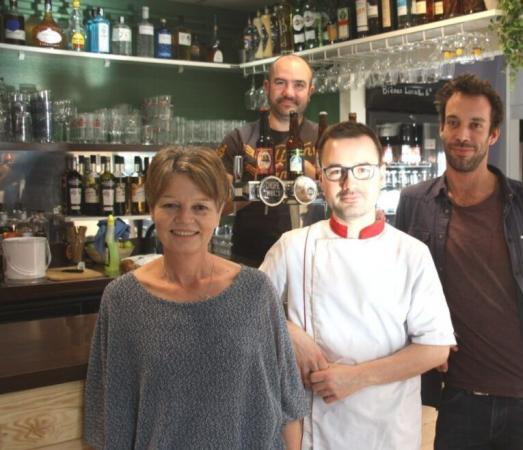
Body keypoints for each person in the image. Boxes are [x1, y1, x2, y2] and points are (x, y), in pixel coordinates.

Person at [395, 73, 523, 450]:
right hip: (459, 401)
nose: (463, 135)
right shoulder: (415, 203)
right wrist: (427, 337)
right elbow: (402, 294)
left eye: (476, 125)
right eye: (454, 122)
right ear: (442, 128)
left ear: (493, 134)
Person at [84, 146, 308, 449]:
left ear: (218, 211)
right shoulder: (122, 299)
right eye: (171, 205)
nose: (185, 218)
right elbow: (110, 419)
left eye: (200, 207)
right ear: (152, 209)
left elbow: (288, 403)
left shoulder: (256, 291)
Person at [260, 122, 456, 450]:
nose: (349, 183)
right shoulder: (293, 246)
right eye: (336, 171)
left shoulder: (411, 253)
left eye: (362, 169)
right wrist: (291, 333)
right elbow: (247, 312)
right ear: (320, 178)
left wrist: (356, 377)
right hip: (315, 434)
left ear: (381, 173)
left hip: (389, 433)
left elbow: (435, 348)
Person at [218, 54, 319, 266]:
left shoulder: (324, 139)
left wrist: (316, 177)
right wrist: (257, 186)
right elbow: (217, 206)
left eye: (299, 85)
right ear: (267, 86)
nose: (288, 93)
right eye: (280, 82)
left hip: (312, 262)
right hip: (251, 263)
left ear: (311, 91)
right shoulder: (240, 139)